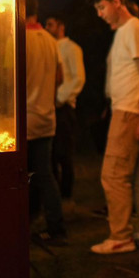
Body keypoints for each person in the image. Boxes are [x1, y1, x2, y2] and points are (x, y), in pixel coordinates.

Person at [87, 0, 139, 254]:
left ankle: (121, 236)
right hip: (128, 110)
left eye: (102, 7)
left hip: (130, 112)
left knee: (113, 174)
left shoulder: (135, 30)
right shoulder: (126, 31)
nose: (100, 13)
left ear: (117, 2)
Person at [25, 0, 67, 246]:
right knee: (45, 174)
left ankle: (26, 222)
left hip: (25, 120)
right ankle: (56, 226)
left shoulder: (18, 39)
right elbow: (60, 77)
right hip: (47, 118)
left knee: (25, 175)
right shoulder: (51, 41)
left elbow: (8, 78)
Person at [45, 16, 86, 213]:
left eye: (51, 24)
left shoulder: (72, 48)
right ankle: (55, 196)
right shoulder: (49, 47)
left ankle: (67, 195)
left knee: (64, 154)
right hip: (50, 107)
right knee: (51, 153)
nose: (47, 28)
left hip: (64, 107)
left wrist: (60, 98)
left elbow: (78, 78)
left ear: (61, 26)